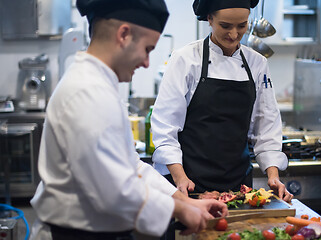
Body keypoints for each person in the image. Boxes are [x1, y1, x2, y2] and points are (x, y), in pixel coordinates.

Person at [29, 0, 228, 239]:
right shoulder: (86, 91)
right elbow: (112, 191)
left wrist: (184, 202)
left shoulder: (97, 85)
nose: (146, 63)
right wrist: (180, 209)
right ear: (124, 34)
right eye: (147, 49)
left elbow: (130, 166)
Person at [151, 0, 294, 202]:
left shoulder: (257, 63)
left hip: (240, 185)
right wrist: (180, 177)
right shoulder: (186, 59)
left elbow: (267, 126)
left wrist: (273, 176)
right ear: (209, 19)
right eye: (225, 26)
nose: (234, 35)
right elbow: (165, 127)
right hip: (190, 183)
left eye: (242, 26)